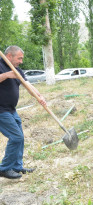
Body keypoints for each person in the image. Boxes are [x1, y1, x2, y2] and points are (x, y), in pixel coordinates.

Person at [0, 45, 46, 179]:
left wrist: (39, 96)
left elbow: (28, 85)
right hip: (1, 110)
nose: (21, 61)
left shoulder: (17, 70)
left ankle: (16, 166)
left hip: (11, 109)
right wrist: (7, 75)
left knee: (20, 137)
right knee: (16, 137)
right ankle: (4, 168)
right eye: (19, 58)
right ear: (9, 56)